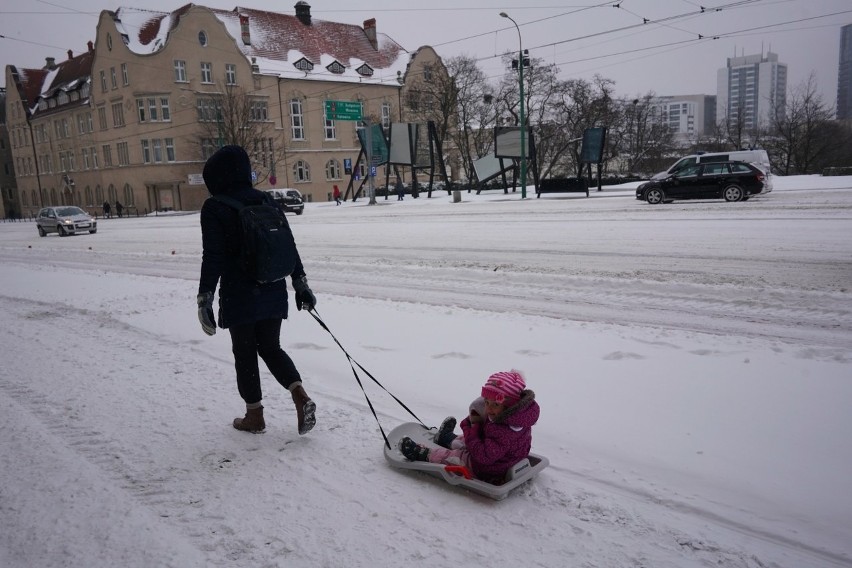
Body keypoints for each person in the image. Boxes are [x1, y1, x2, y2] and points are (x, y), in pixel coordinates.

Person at [196, 145, 318, 435]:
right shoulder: (267, 200)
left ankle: (255, 416)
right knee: (271, 347)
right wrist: (300, 284)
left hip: (240, 291)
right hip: (273, 287)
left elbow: (212, 256)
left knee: (246, 352)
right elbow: (289, 244)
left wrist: (205, 298)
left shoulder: (215, 207)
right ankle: (300, 396)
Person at [399, 370, 540, 484]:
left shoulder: (502, 430)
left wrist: (472, 428)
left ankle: (423, 453)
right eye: (486, 402)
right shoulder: (517, 417)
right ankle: (446, 438)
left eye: (495, 404)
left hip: (486, 469)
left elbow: (482, 455)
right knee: (467, 439)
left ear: (509, 405)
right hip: (502, 459)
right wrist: (475, 427)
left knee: (454, 457)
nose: (489, 409)